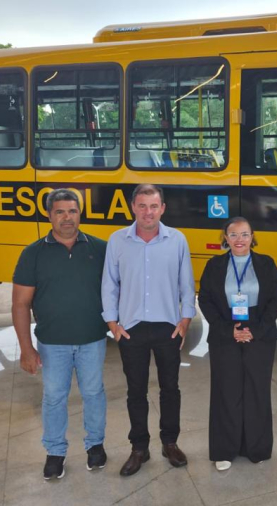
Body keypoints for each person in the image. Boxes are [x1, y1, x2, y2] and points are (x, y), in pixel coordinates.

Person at [11, 188, 108, 480]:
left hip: (93, 338)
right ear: (49, 215)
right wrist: (26, 349)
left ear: (80, 213)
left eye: (72, 211)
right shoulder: (33, 254)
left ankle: (95, 446)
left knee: (94, 393)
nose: (67, 218)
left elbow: (119, 290)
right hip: (52, 343)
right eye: (60, 212)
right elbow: (20, 304)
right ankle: (55, 452)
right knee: (54, 397)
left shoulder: (100, 249)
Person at [102, 184, 195, 476]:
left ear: (162, 208)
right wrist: (113, 324)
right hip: (131, 329)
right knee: (136, 392)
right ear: (133, 207)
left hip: (168, 327)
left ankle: (170, 443)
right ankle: (139, 448)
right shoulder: (117, 240)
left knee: (170, 389)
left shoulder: (177, 240)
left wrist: (186, 321)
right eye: (142, 206)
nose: (148, 212)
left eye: (154, 206)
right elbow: (109, 284)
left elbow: (186, 284)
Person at [198, 217, 277, 471]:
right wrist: (229, 330)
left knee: (257, 390)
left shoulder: (266, 263)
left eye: (245, 234)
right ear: (225, 237)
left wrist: (255, 330)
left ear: (252, 237)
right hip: (225, 332)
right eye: (233, 234)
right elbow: (205, 299)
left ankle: (256, 448)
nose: (239, 240)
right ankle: (225, 450)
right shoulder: (214, 265)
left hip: (261, 332)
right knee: (226, 391)